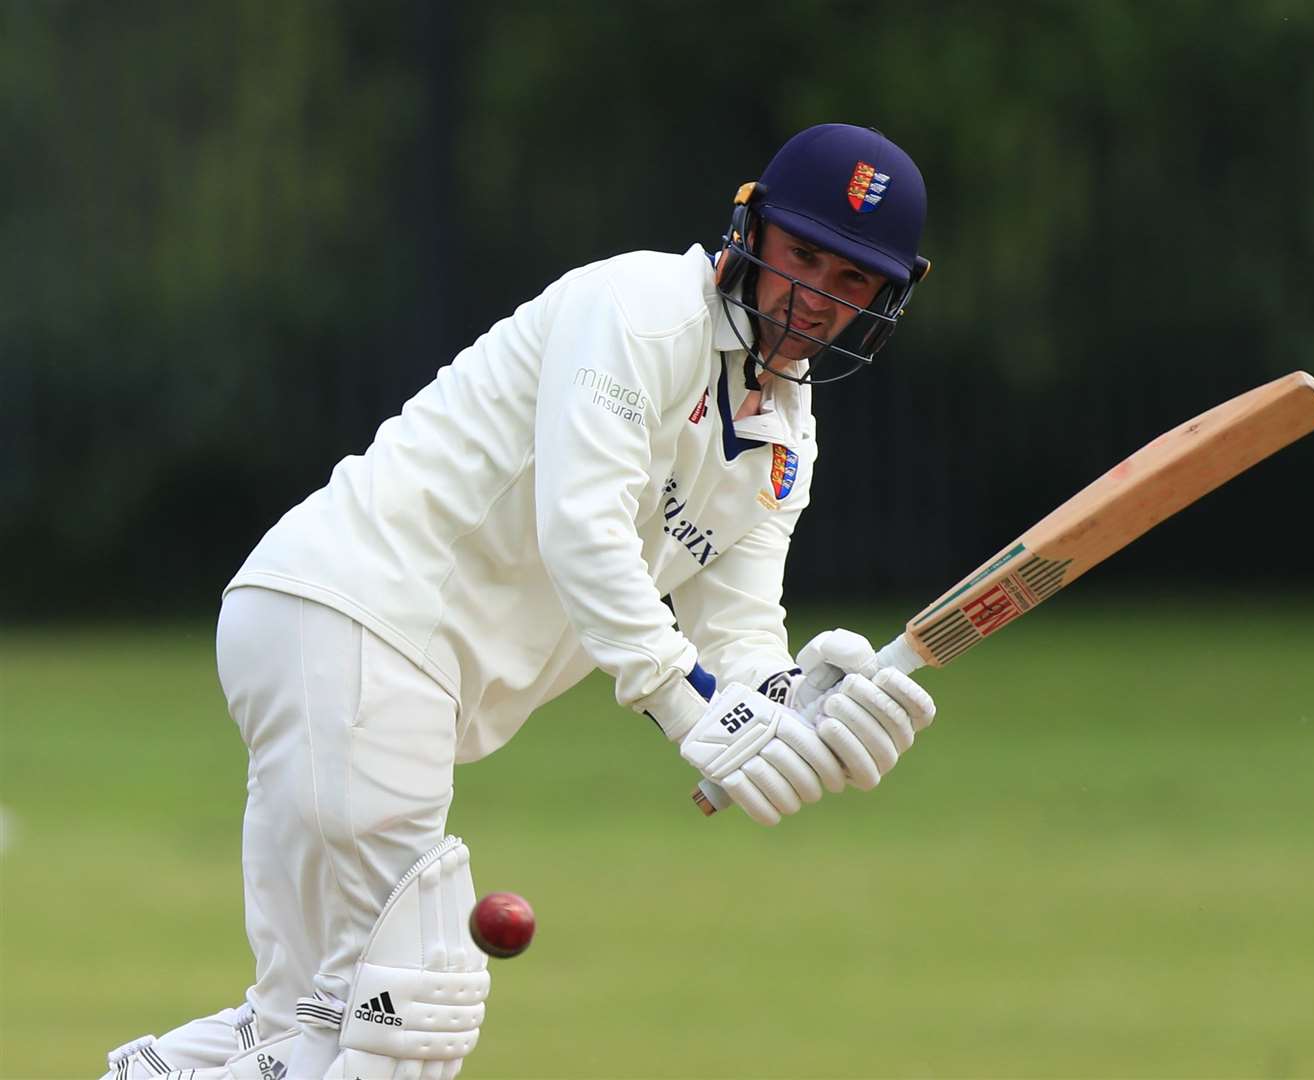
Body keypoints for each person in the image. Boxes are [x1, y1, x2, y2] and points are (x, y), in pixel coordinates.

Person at [102, 123, 939, 1080]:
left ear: (887, 294)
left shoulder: (785, 433)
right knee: (407, 1014)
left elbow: (739, 626)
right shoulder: (641, 309)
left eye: (853, 280)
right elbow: (582, 527)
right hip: (362, 617)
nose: (818, 298)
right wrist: (678, 703)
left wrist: (794, 702)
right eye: (804, 257)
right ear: (750, 230)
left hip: (358, 648)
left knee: (305, 1025)